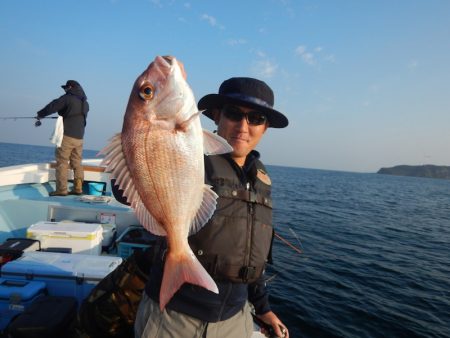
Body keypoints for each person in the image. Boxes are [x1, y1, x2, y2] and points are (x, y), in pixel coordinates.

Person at [134, 77, 289, 338]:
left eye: (256, 118)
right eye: (233, 114)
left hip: (235, 319)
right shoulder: (192, 155)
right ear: (216, 116)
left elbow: (251, 251)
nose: (243, 126)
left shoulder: (260, 178)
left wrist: (262, 308)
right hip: (174, 317)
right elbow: (132, 182)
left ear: (266, 127)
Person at [36, 80, 89, 196]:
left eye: (66, 88)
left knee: (62, 163)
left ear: (70, 87)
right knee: (77, 163)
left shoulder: (68, 98)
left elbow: (53, 106)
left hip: (67, 137)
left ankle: (61, 190)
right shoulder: (85, 103)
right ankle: (78, 189)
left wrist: (40, 114)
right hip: (79, 138)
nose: (65, 90)